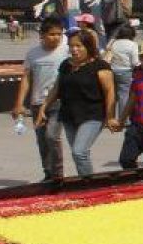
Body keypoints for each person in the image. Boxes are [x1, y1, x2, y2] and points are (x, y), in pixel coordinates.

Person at [35, 29, 117, 176]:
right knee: (78, 153)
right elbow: (56, 88)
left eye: (79, 46)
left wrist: (110, 116)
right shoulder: (66, 65)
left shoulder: (101, 66)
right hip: (69, 116)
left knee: (79, 152)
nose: (74, 49)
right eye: (71, 46)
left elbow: (110, 92)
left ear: (88, 47)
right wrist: (44, 107)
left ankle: (89, 186)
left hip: (92, 115)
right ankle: (83, 181)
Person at [12, 18, 68, 182]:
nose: (56, 37)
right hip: (37, 103)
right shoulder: (33, 53)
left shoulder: (67, 51)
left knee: (52, 136)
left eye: (59, 34)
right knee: (43, 141)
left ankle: (58, 174)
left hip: (58, 102)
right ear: (42, 35)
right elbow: (27, 79)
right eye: (51, 34)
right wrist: (19, 103)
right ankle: (48, 173)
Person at [104, 24, 139, 116]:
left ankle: (110, 117)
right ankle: (122, 119)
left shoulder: (114, 43)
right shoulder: (132, 45)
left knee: (112, 95)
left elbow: (107, 53)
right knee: (124, 95)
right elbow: (135, 62)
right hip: (126, 72)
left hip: (112, 70)